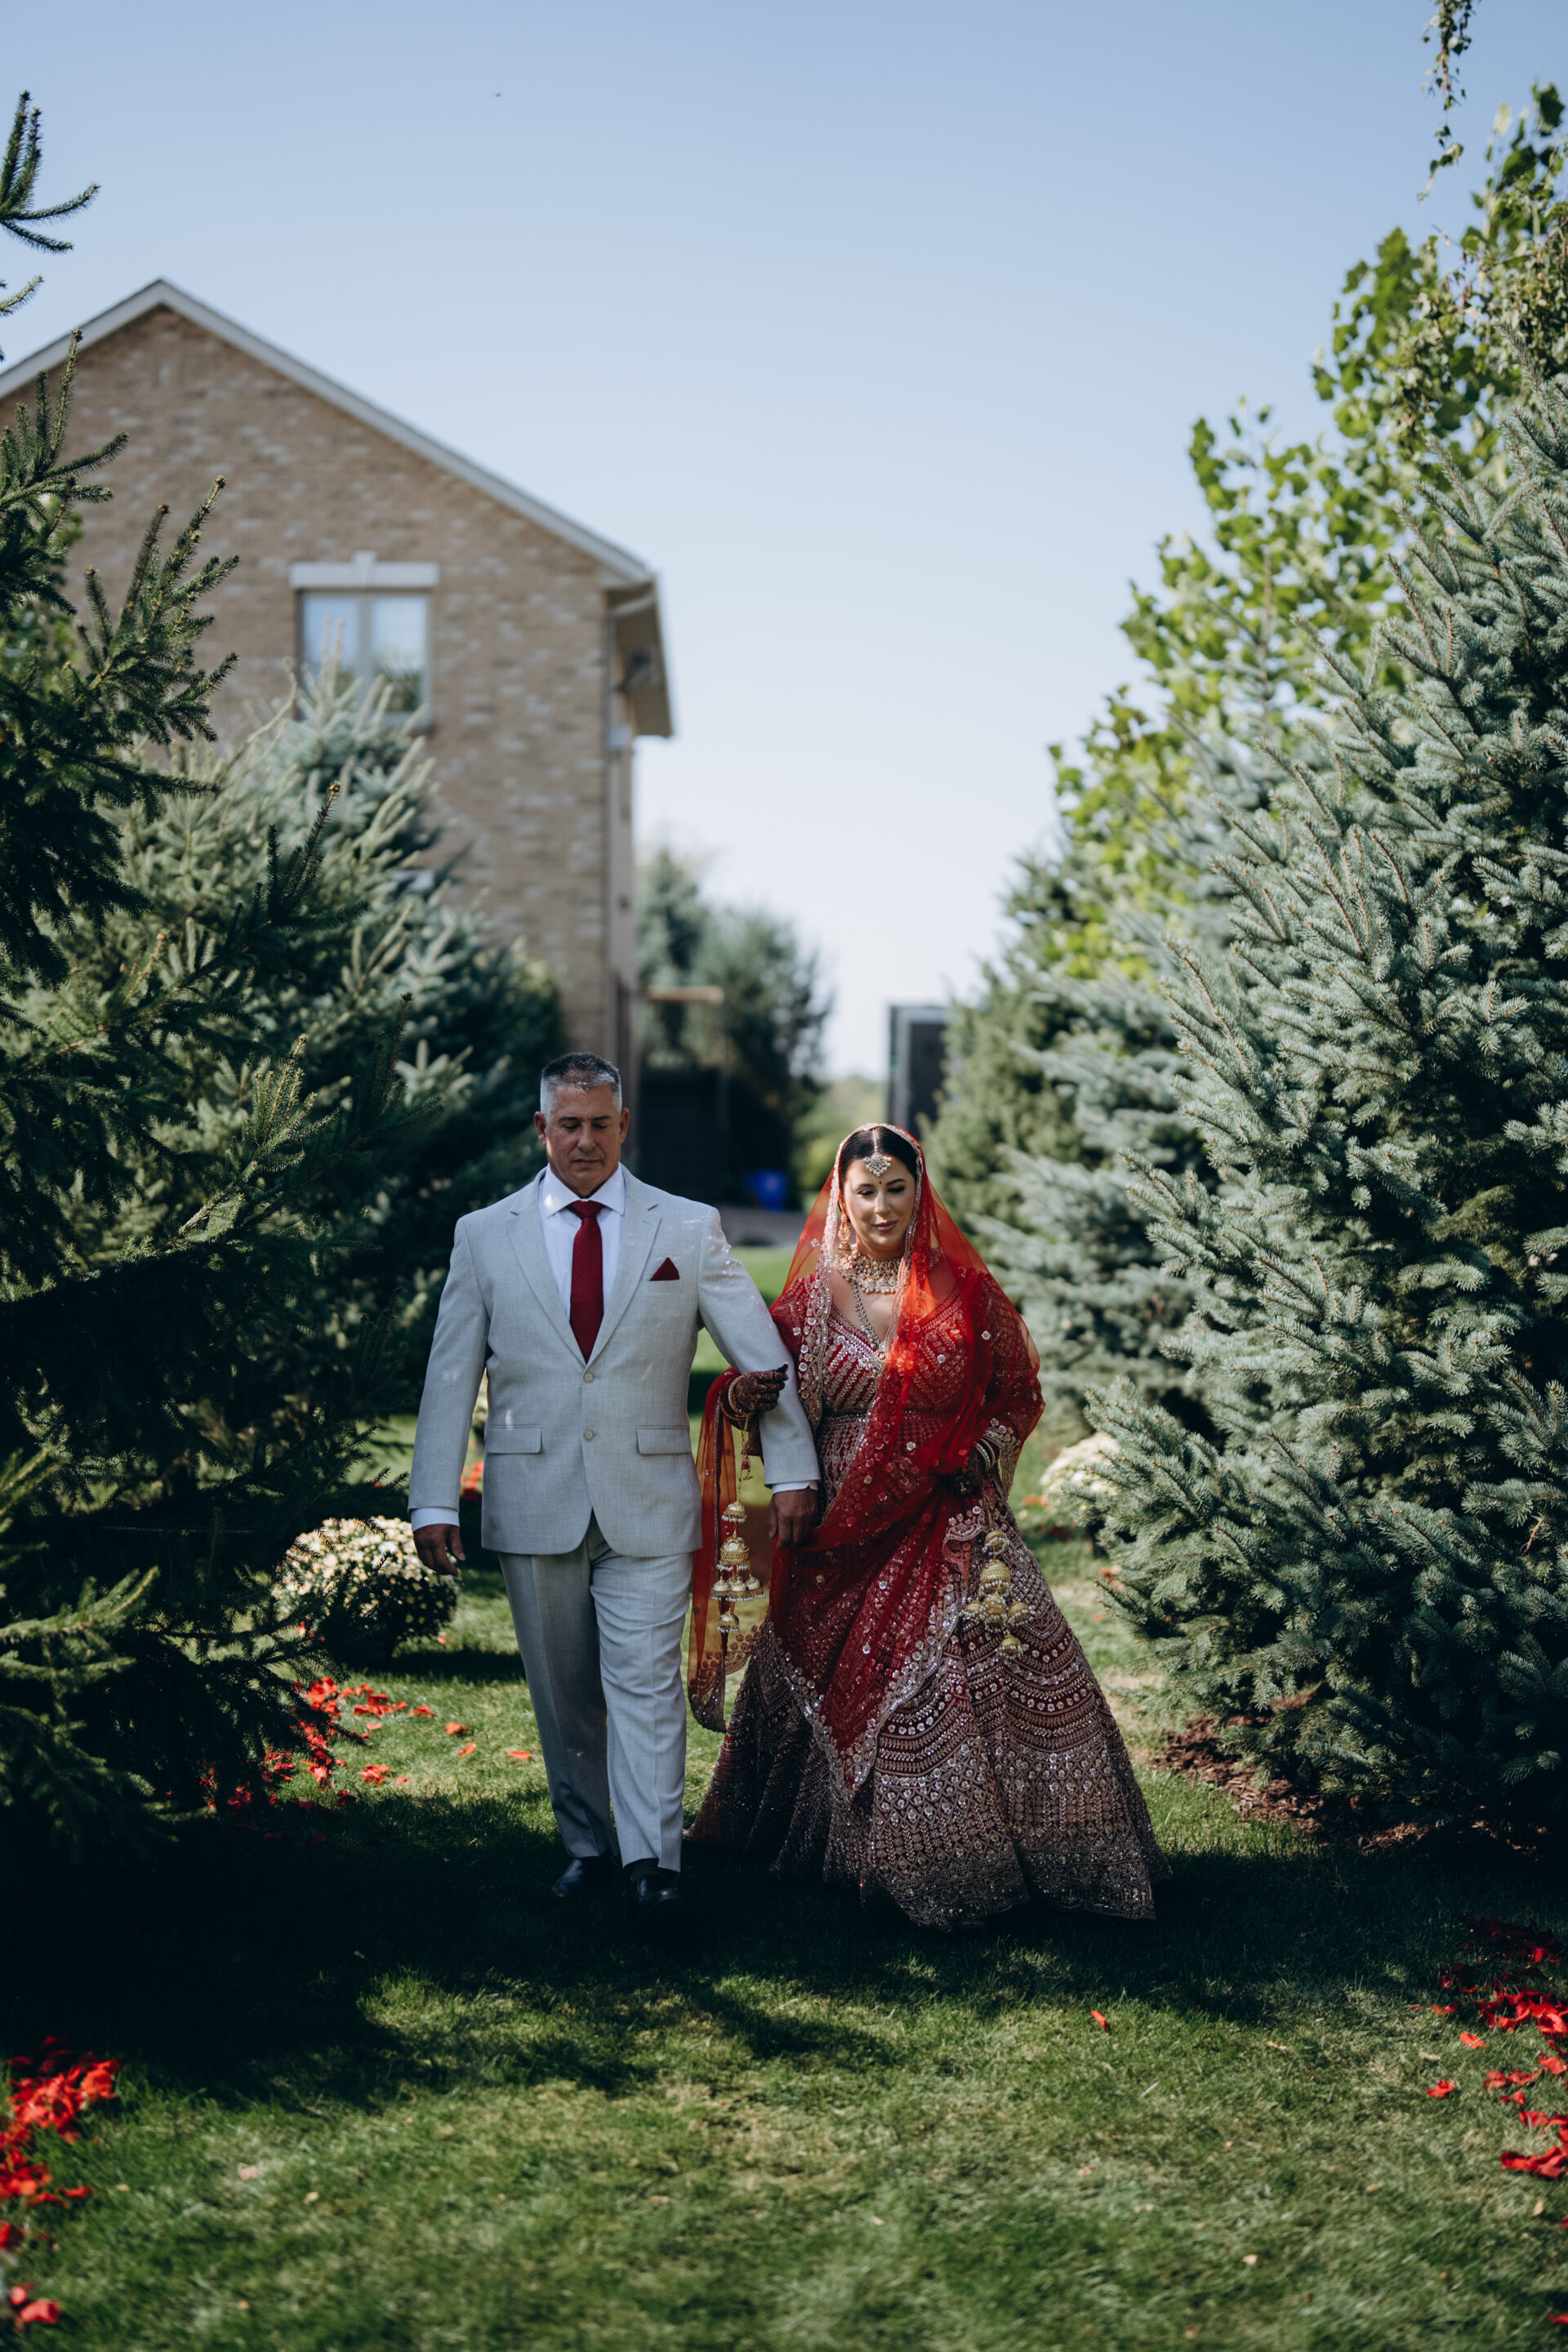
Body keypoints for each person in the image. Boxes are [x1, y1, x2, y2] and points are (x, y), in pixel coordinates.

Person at [688, 1124, 1169, 1931]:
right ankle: (850, 1849)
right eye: (865, 1191)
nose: (881, 1206)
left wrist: (983, 1448)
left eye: (896, 1188)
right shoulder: (808, 1303)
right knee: (840, 1670)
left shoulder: (963, 1291)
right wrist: (738, 1399)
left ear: (920, 1192)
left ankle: (985, 1855)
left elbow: (1017, 1391)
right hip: (842, 1516)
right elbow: (767, 1393)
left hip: (948, 1512)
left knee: (969, 1666)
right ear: (841, 1196)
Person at [408, 1051, 820, 1932]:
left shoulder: (688, 1227)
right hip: (532, 1493)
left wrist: (793, 1470)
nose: (586, 1140)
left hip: (649, 1495)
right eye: (569, 1124)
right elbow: (450, 1375)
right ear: (542, 1129)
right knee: (564, 1695)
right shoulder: (483, 1235)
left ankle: (652, 1866)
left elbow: (761, 1355)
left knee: (645, 1684)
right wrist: (433, 1499)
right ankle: (588, 1847)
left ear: (624, 1125)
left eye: (601, 1123)